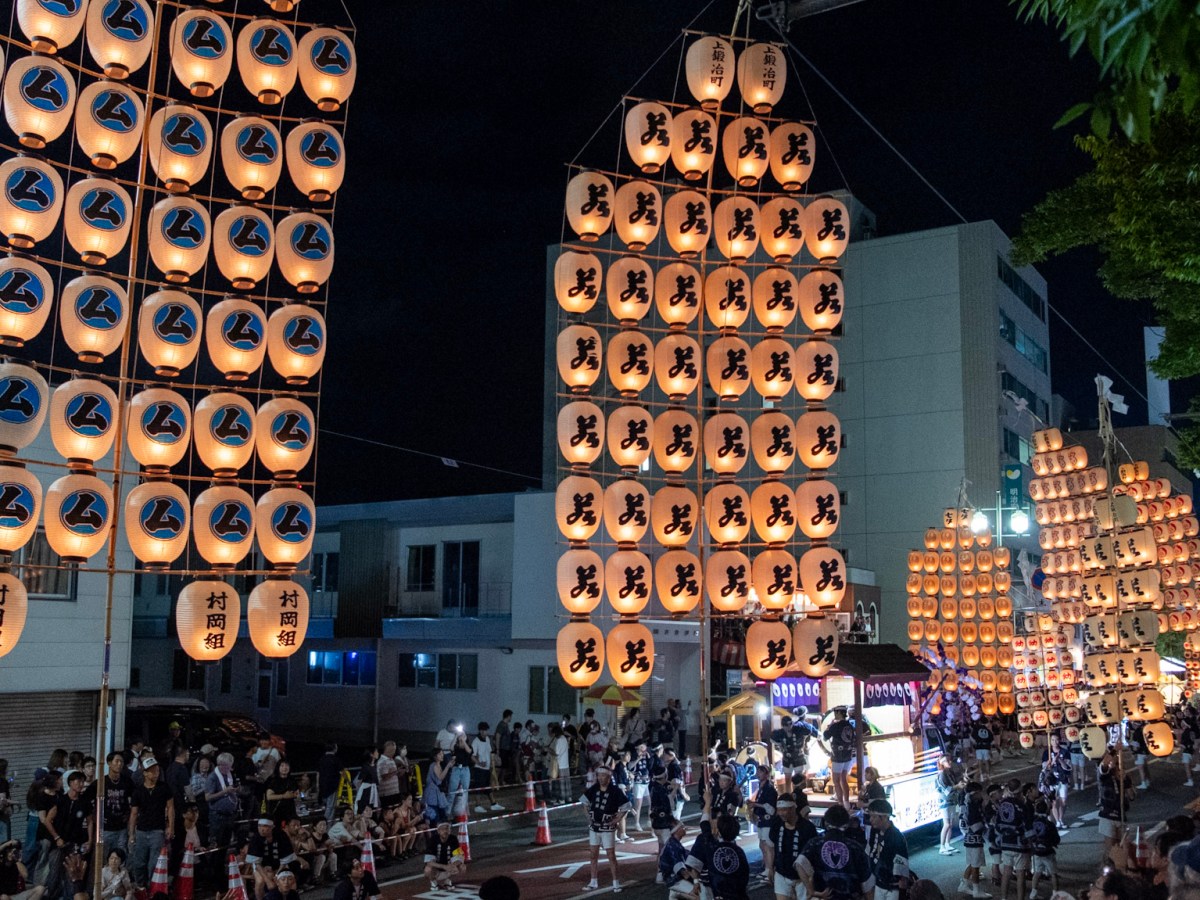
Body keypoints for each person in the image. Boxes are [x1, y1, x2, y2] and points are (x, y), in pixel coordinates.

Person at [580, 765, 630, 892]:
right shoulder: (594, 789)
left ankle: (616, 882)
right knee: (593, 854)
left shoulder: (615, 791)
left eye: (603, 776)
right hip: (594, 827)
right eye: (599, 775)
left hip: (607, 827)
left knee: (610, 855)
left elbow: (626, 806)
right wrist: (588, 817)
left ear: (609, 777)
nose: (601, 778)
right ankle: (593, 881)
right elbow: (584, 802)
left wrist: (616, 820)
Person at [128, 757, 174, 887]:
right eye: (152, 771)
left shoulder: (164, 787)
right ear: (145, 773)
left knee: (154, 862)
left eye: (157, 770)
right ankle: (140, 886)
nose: (155, 773)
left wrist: (171, 826)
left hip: (157, 830)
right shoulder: (138, 791)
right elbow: (134, 813)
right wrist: (131, 834)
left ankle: (152, 887)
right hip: (141, 830)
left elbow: (170, 807)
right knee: (139, 862)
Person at [769, 793, 817, 900]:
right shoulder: (776, 824)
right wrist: (770, 868)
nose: (781, 813)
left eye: (784, 810)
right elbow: (773, 847)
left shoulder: (807, 828)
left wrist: (811, 880)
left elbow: (812, 856)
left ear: (793, 809)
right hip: (781, 873)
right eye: (779, 810)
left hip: (802, 878)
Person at [994, 779, 1032, 900]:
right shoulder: (1021, 805)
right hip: (1019, 843)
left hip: (1005, 842)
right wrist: (1031, 840)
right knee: (1021, 874)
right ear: (1020, 790)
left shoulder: (1002, 804)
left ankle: (1004, 898)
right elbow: (1028, 825)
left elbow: (997, 823)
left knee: (1006, 872)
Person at [865, 799, 909, 900]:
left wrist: (902, 891)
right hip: (878, 882)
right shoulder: (874, 830)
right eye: (870, 816)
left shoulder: (896, 837)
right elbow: (869, 852)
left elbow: (902, 867)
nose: (870, 819)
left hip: (893, 886)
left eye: (874, 816)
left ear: (885, 817)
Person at [1098, 748, 1132, 862]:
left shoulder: (1123, 777)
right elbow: (1104, 763)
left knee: (1120, 847)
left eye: (1116, 763)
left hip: (1121, 815)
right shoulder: (1105, 776)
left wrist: (1125, 779)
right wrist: (1115, 749)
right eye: (1112, 762)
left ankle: (1118, 870)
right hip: (1108, 815)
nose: (1114, 764)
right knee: (1110, 848)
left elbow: (1132, 796)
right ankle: (1105, 871)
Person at [205, 752, 241, 852]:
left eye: (230, 766)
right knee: (216, 848)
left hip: (229, 815)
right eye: (227, 766)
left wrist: (235, 790)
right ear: (220, 765)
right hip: (217, 816)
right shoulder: (212, 777)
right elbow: (207, 797)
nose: (229, 769)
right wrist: (224, 792)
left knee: (225, 846)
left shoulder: (229, 775)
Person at [751, 764, 778, 884]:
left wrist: (756, 805)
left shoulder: (770, 789)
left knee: (768, 846)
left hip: (768, 820)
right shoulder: (761, 787)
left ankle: (769, 869)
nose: (758, 774)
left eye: (760, 772)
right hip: (762, 820)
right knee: (762, 845)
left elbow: (771, 808)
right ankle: (766, 867)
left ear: (766, 774)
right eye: (757, 772)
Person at [824, 708, 856, 810]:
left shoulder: (836, 725)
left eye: (835, 713)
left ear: (839, 713)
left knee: (836, 780)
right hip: (848, 754)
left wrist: (829, 727)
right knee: (844, 779)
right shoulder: (849, 725)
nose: (835, 715)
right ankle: (846, 801)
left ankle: (841, 803)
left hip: (838, 756)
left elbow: (825, 736)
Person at [1027, 798, 1059, 898]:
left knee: (1037, 872)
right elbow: (1056, 839)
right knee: (1053, 874)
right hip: (1048, 852)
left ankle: (1033, 892)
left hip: (1036, 852)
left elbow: (1029, 837)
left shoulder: (1032, 823)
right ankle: (1055, 893)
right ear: (1047, 810)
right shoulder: (1049, 824)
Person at [471, 723, 504, 812]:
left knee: (487, 786)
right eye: (484, 730)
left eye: (486, 730)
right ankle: (477, 806)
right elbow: (472, 755)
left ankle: (493, 804)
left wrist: (493, 763)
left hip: (486, 768)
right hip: (479, 768)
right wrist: (479, 763)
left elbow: (490, 752)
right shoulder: (476, 741)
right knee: (478, 787)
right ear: (480, 731)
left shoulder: (487, 739)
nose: (486, 732)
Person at [422, 820, 464, 891]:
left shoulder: (453, 839)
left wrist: (454, 865)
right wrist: (444, 866)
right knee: (428, 869)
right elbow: (428, 861)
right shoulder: (433, 840)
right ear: (438, 831)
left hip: (449, 866)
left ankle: (447, 881)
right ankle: (434, 882)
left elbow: (460, 856)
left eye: (447, 828)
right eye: (443, 829)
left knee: (462, 867)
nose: (445, 831)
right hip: (437, 868)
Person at [936, 757, 962, 855]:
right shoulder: (941, 774)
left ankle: (947, 844)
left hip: (951, 800)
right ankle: (942, 847)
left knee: (950, 824)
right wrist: (957, 786)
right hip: (945, 801)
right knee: (946, 824)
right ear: (942, 763)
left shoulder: (948, 772)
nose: (950, 762)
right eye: (947, 761)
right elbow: (945, 790)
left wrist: (959, 785)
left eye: (950, 760)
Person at [650, 767, 676, 860]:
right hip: (663, 823)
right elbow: (667, 806)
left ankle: (659, 870)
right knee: (668, 848)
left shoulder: (653, 786)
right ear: (665, 775)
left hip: (656, 822)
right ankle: (667, 870)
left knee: (661, 847)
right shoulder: (661, 789)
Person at [422, 748, 451, 824]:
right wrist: (448, 767)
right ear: (435, 756)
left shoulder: (439, 765)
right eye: (440, 754)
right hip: (432, 794)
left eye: (442, 753)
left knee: (442, 815)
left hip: (438, 794)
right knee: (434, 816)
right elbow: (440, 777)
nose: (442, 755)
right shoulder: (433, 766)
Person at [448, 731, 473, 817]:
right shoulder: (456, 747)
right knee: (452, 790)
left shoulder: (468, 746)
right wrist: (456, 736)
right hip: (456, 769)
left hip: (465, 769)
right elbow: (451, 748)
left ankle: (465, 810)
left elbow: (469, 751)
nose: (461, 736)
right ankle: (448, 812)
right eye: (460, 735)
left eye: (463, 734)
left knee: (465, 790)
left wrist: (464, 740)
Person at [317, 744, 341, 824]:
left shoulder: (321, 759)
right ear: (334, 749)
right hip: (332, 787)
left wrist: (318, 786)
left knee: (325, 806)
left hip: (322, 786)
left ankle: (323, 824)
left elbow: (318, 773)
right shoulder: (335, 759)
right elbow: (342, 771)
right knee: (330, 808)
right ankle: (325, 825)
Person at [1127, 719, 1151, 790]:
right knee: (1145, 767)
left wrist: (1130, 744)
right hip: (1146, 751)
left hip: (1140, 752)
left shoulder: (1137, 732)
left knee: (1141, 768)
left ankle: (1143, 783)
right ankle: (1147, 781)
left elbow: (1136, 745)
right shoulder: (1144, 730)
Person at [375, 743, 400, 811]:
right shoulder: (382, 761)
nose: (394, 752)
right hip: (386, 794)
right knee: (388, 812)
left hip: (394, 792)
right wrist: (396, 772)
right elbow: (384, 776)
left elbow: (394, 774)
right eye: (392, 750)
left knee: (395, 811)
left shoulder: (391, 760)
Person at [973, 717, 995, 782]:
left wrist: (975, 743)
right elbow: (992, 741)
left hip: (978, 747)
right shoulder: (988, 730)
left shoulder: (976, 729)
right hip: (986, 747)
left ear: (980, 722)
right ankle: (988, 775)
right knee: (986, 762)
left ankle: (981, 776)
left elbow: (972, 738)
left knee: (979, 762)